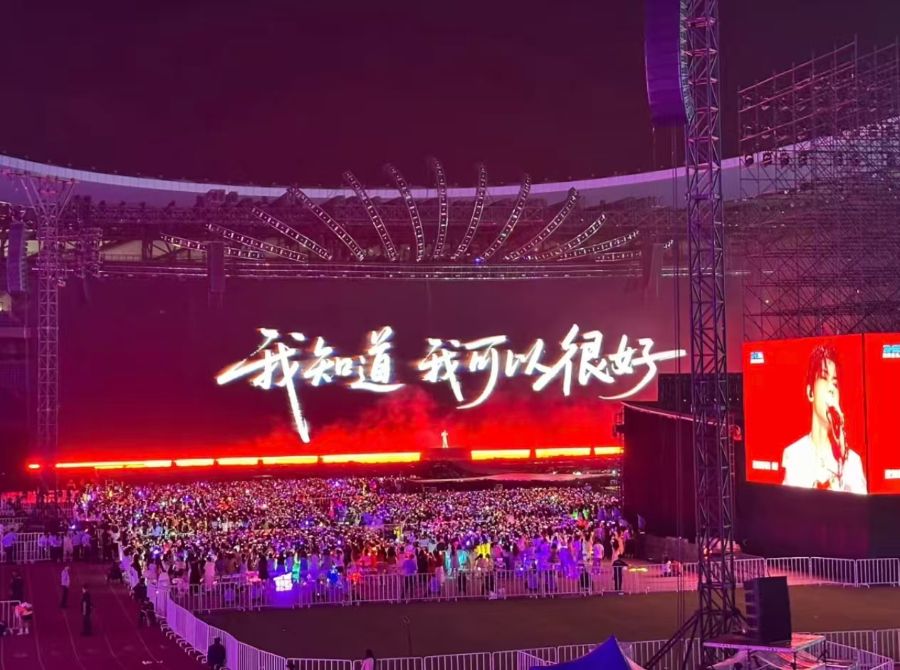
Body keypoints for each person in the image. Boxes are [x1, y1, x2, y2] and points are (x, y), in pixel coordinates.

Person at [781, 344, 867, 494]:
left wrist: (843, 456)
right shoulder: (793, 456)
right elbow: (788, 507)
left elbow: (859, 507)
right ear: (810, 393)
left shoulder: (852, 462)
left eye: (835, 383)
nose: (831, 389)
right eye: (824, 378)